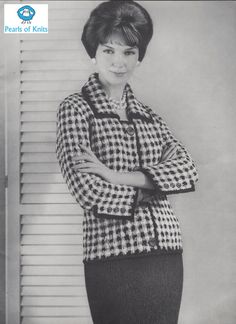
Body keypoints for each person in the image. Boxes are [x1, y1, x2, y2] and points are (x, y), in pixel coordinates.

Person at [56, 1, 198, 323]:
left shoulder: (150, 116)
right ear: (94, 51)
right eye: (109, 51)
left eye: (129, 52)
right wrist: (154, 186)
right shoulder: (76, 109)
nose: (119, 62)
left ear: (139, 56)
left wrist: (114, 175)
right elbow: (88, 191)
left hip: (164, 252)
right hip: (110, 255)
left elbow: (187, 170)